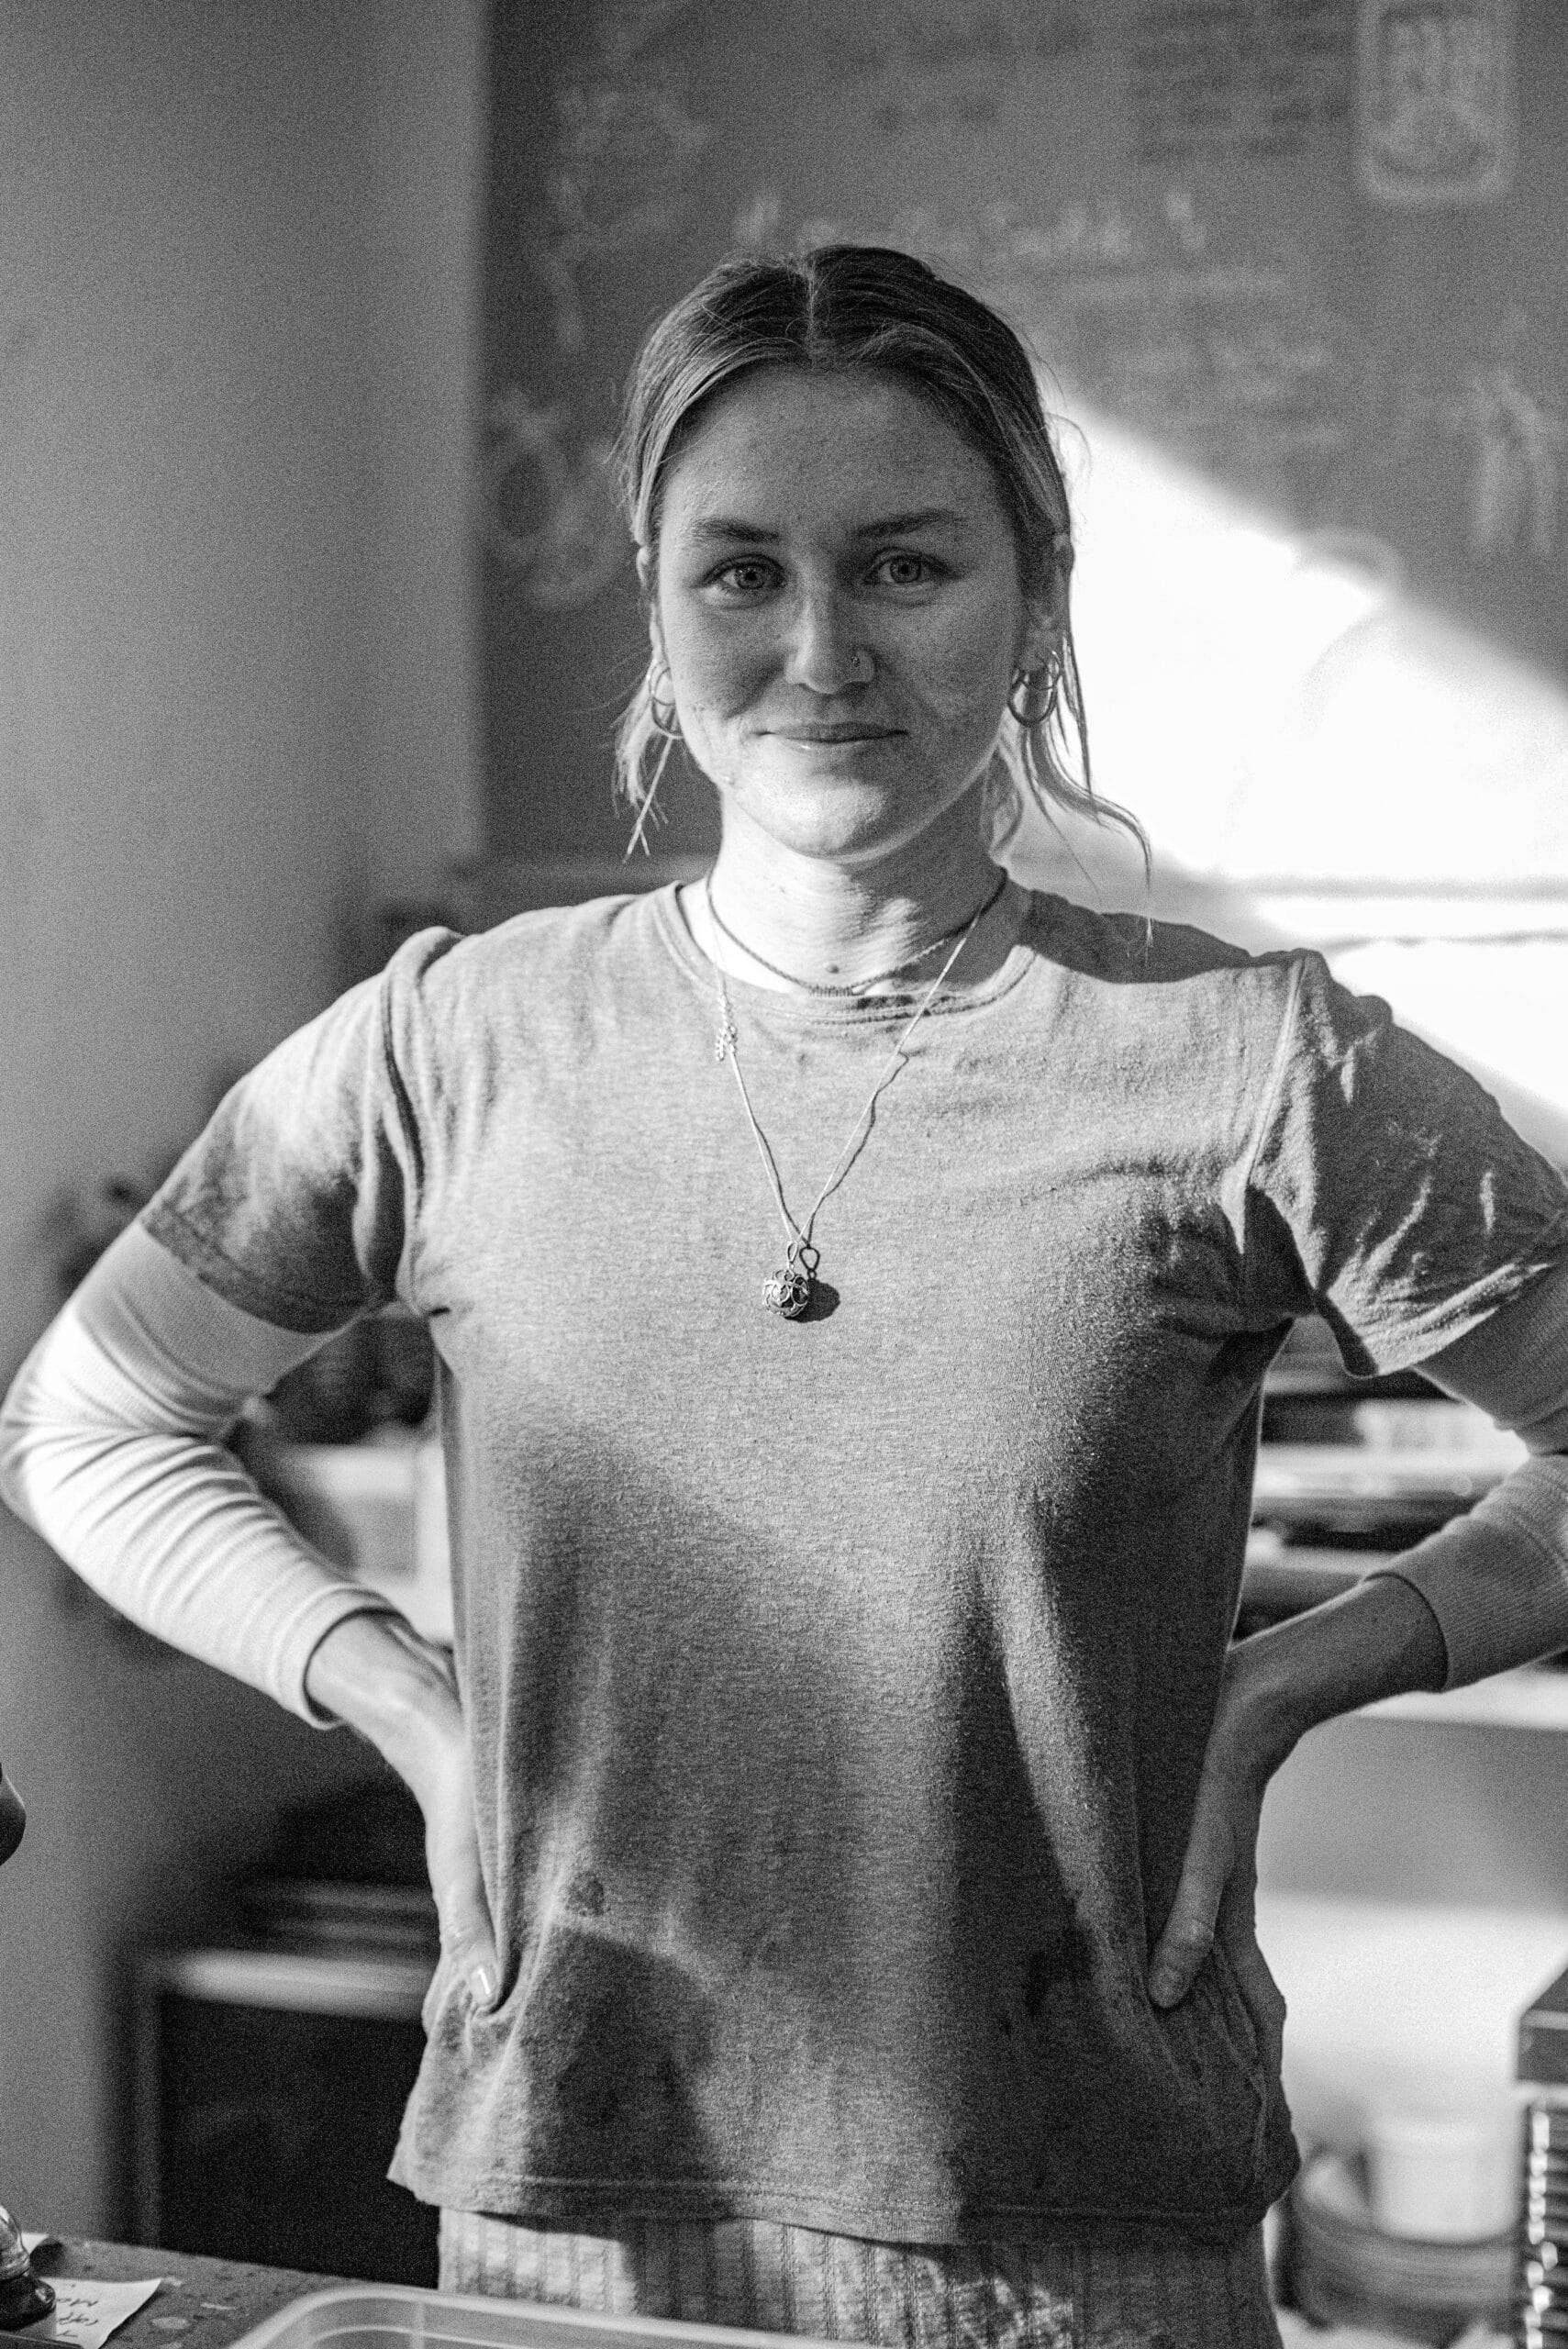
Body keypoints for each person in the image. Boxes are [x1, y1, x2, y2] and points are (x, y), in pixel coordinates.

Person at [6, 244, 1568, 2349]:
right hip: (576, 2202)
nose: (820, 648)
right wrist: (393, 1689)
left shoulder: (1248, 1058)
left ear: (1034, 592)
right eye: (739, 572)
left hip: (1082, 2230)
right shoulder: (450, 1044)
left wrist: (1295, 1676)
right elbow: (87, 1416)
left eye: (906, 565)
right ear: (655, 604)